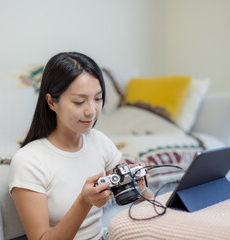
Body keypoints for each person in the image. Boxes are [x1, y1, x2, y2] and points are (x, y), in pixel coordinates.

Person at [8, 52, 153, 240]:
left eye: (98, 98)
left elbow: (147, 205)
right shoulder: (29, 161)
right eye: (79, 101)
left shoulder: (99, 141)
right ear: (52, 102)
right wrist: (83, 203)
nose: (91, 111)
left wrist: (141, 186)